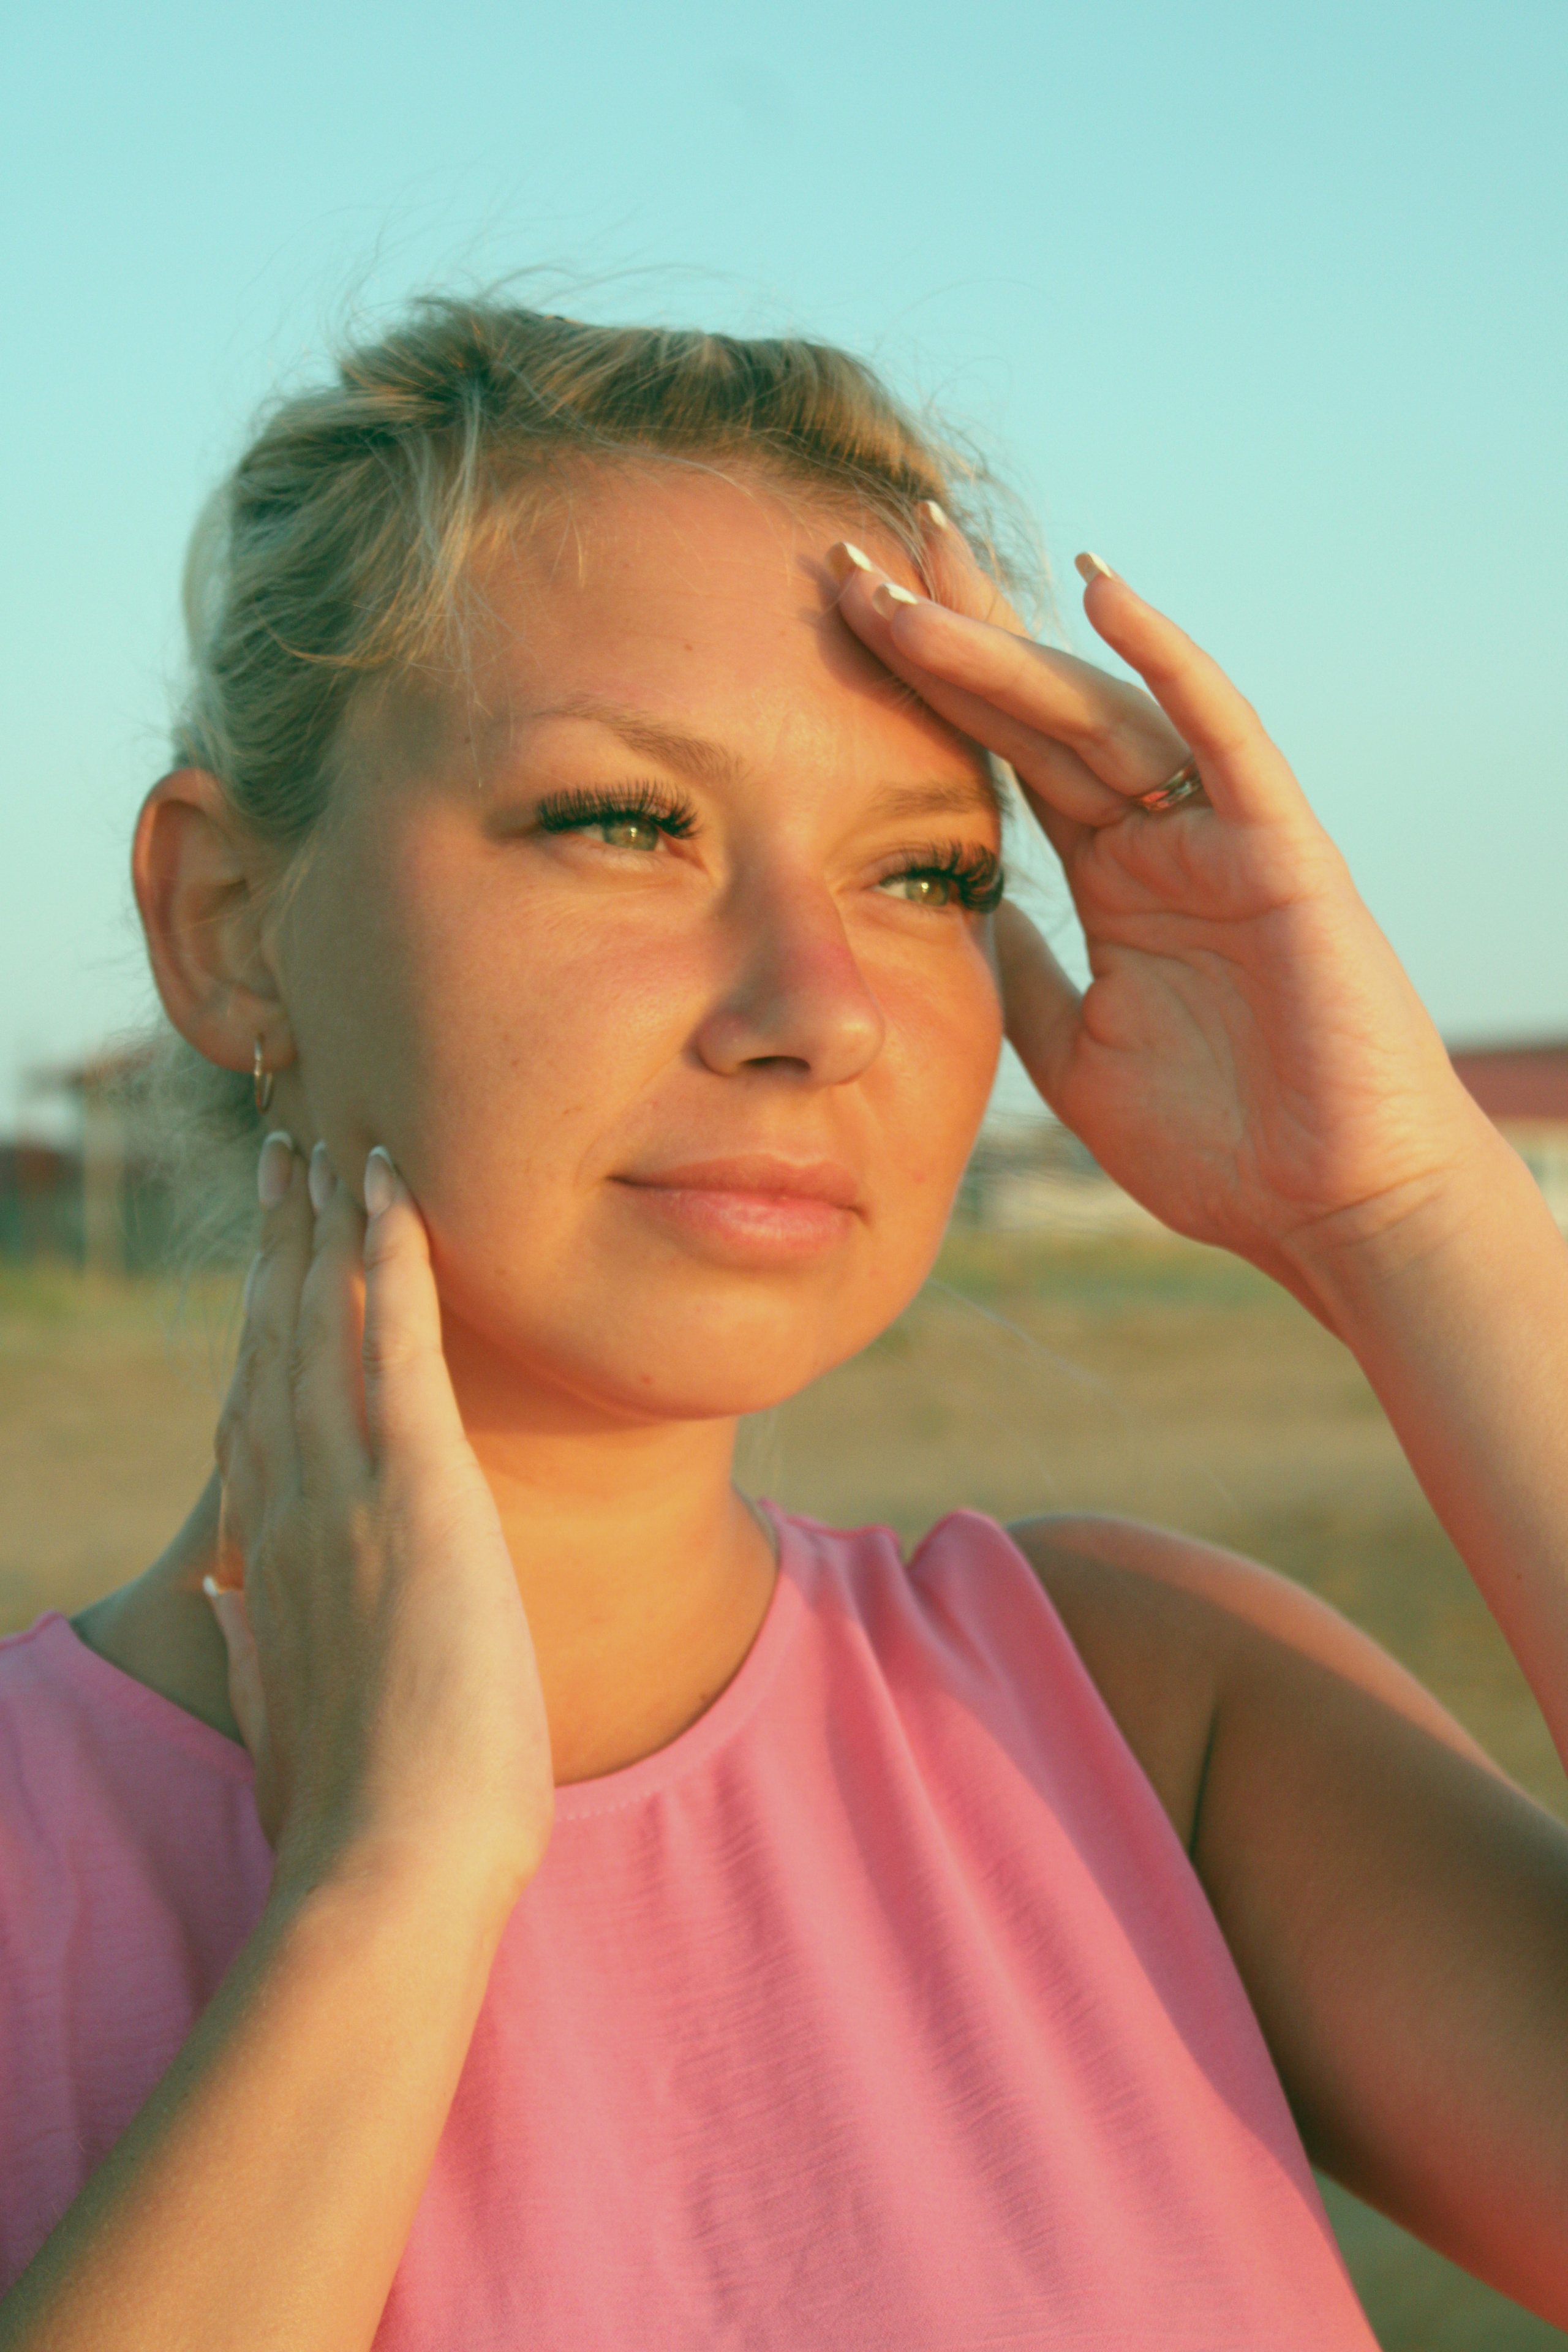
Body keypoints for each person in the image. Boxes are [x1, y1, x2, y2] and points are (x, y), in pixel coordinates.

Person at [1, 300, 1564, 2352]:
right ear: (224, 926)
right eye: (626, 821)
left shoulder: (1137, 1718)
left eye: (926, 873)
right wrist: (387, 1891)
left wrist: (1409, 1212)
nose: (817, 1004)